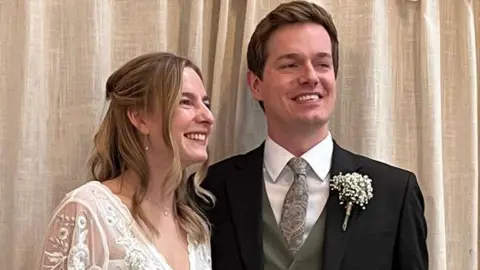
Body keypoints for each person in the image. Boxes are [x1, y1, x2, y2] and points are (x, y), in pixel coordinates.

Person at [199, 1, 428, 270]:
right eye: (290, 65)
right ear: (256, 85)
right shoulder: (211, 189)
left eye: (322, 64)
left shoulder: (395, 193)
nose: (310, 77)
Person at [37, 52, 215, 270]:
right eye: (186, 102)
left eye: (206, 103)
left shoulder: (195, 229)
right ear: (140, 118)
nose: (208, 117)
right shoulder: (89, 212)